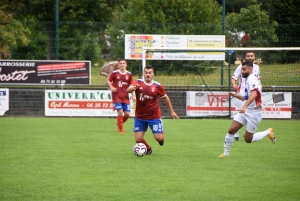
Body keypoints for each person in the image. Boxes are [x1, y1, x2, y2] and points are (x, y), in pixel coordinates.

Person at [218, 61, 276, 158]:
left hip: (254, 112)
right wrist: (235, 95)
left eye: (244, 69)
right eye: (241, 69)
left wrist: (244, 106)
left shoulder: (252, 79)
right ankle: (225, 154)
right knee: (231, 130)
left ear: (250, 69)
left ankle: (268, 132)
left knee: (248, 139)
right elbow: (246, 97)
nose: (242, 71)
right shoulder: (247, 79)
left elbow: (254, 95)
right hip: (246, 110)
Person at [127, 65, 179, 155]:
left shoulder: (157, 86)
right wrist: (132, 88)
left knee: (159, 139)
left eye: (150, 73)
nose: (148, 74)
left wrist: (172, 111)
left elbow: (165, 98)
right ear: (143, 73)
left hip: (154, 117)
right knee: (138, 139)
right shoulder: (138, 82)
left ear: (153, 74)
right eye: (146, 72)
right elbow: (128, 89)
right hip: (140, 117)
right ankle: (148, 148)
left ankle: (161, 136)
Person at [231, 51, 260, 141]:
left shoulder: (257, 67)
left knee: (249, 113)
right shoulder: (241, 67)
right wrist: (234, 85)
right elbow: (234, 77)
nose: (250, 57)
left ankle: (249, 132)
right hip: (242, 93)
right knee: (240, 112)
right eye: (248, 56)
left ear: (254, 57)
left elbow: (258, 79)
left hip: (251, 93)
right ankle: (236, 134)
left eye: (251, 56)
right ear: (245, 57)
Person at [107, 59, 135, 133]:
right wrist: (112, 87)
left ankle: (119, 123)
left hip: (125, 97)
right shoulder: (115, 73)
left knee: (127, 114)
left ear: (126, 65)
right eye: (121, 63)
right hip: (117, 96)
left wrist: (133, 95)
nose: (122, 64)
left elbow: (131, 86)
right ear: (119, 65)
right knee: (120, 111)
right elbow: (109, 81)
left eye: (123, 63)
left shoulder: (129, 74)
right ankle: (120, 129)